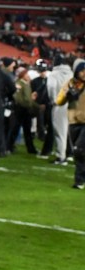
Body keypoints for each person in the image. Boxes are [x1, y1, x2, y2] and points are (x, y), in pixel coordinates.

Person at [55, 59, 85, 189]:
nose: (84, 73)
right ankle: (80, 180)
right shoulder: (71, 83)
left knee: (79, 149)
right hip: (73, 121)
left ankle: (79, 181)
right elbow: (59, 101)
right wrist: (67, 95)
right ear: (77, 72)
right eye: (82, 71)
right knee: (78, 151)